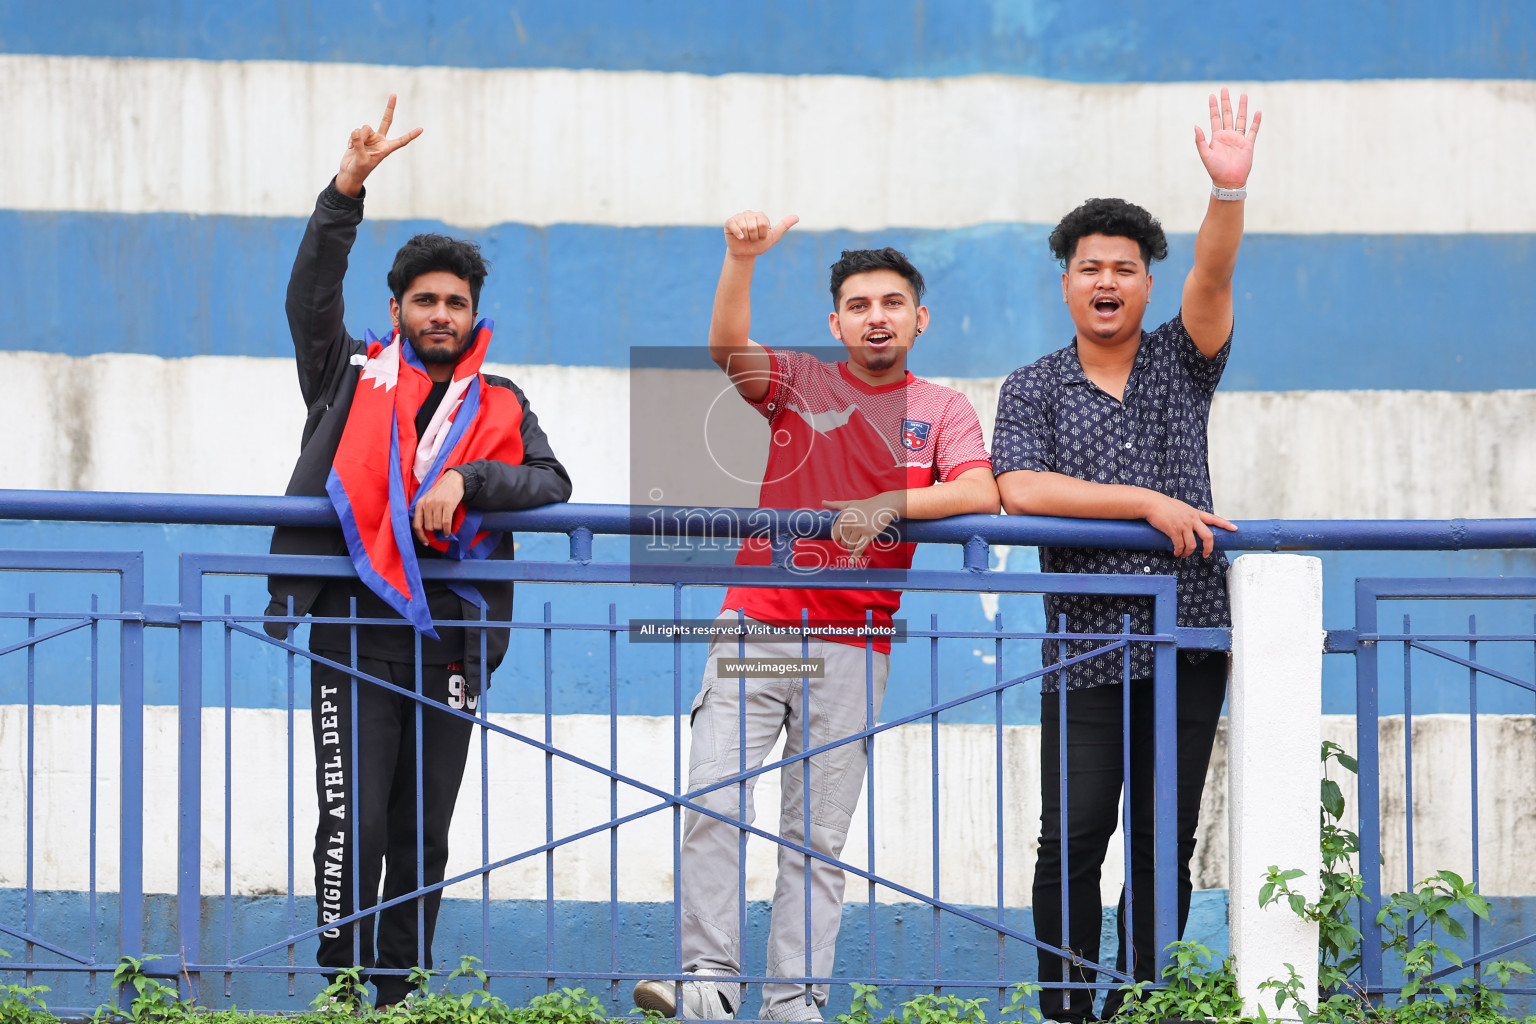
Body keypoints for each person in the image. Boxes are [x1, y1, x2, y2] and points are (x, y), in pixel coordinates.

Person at [633, 212, 999, 1021]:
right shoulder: (802, 380)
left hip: (855, 642)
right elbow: (728, 349)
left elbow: (978, 491)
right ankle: (709, 984)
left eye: (893, 303)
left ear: (918, 318)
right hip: (761, 622)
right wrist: (740, 258)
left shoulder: (941, 409)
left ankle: (794, 1003)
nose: (878, 316)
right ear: (837, 323)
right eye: (861, 305)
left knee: (815, 837)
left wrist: (888, 503)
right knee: (714, 800)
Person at [263, 96, 572, 1009]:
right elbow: (307, 298)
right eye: (425, 300)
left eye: (456, 302)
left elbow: (551, 482)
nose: (441, 313)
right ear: (397, 310)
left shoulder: (504, 403)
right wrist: (345, 193)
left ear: (472, 315)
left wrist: (471, 481)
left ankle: (401, 992)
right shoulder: (348, 375)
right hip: (352, 629)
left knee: (422, 830)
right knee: (348, 822)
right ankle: (343, 987)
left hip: (452, 639)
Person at [989, 89, 1261, 1022]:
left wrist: (1226, 195)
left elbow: (1214, 283)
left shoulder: (1184, 360)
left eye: (1126, 267)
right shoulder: (1032, 387)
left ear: (1148, 283)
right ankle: (1064, 1010)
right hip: (1086, 652)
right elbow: (1021, 488)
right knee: (1068, 840)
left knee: (1160, 843)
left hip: (1188, 643)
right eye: (1089, 267)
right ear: (1065, 282)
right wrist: (1148, 502)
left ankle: (1140, 1008)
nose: (1107, 280)